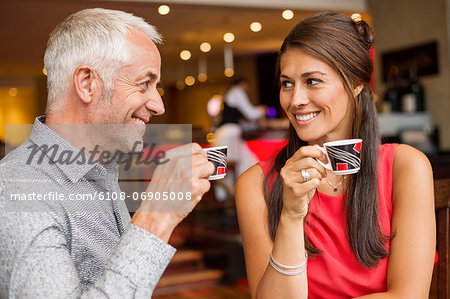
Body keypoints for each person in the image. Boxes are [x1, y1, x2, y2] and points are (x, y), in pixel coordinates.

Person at [0, 8, 214, 298]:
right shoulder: (15, 189)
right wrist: (156, 217)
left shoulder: (103, 168)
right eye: (144, 83)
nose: (158, 105)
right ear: (87, 83)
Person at [235, 12, 435, 298]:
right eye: (287, 83)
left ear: (356, 83)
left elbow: (408, 295)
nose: (296, 100)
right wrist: (291, 215)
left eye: (312, 81)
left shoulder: (406, 167)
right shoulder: (255, 185)